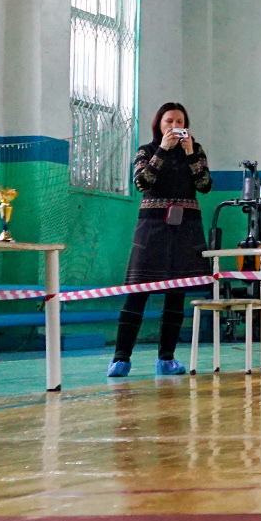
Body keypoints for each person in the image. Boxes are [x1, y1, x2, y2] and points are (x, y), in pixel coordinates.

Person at [109, 102, 213, 378]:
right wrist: (163, 151)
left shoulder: (196, 150)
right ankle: (121, 358)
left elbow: (204, 185)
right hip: (152, 229)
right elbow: (143, 183)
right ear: (159, 124)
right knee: (137, 292)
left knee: (176, 295)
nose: (175, 126)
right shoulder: (147, 150)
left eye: (180, 121)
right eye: (169, 121)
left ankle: (166, 359)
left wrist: (191, 155)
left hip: (186, 230)